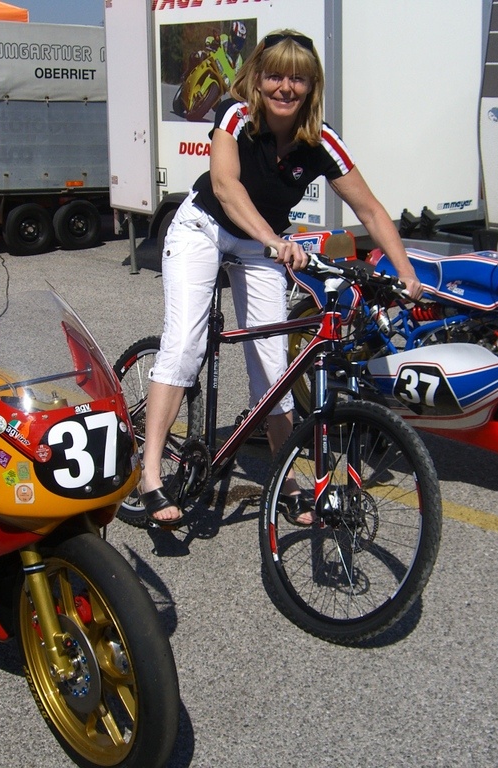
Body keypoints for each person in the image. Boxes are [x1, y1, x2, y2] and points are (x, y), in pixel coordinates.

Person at [140, 29, 424, 528]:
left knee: (274, 370)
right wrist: (273, 240)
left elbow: (371, 209)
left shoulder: (320, 141)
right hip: (203, 228)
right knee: (184, 344)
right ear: (257, 78)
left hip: (260, 245)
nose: (285, 88)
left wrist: (405, 274)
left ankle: (286, 481)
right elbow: (225, 187)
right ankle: (149, 473)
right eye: (275, 76)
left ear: (312, 86)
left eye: (298, 79)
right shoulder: (235, 116)